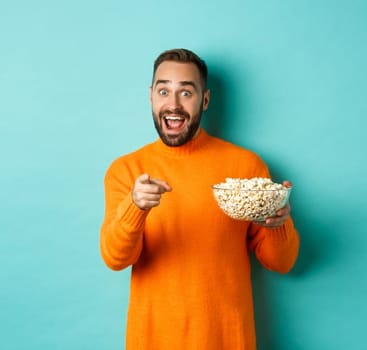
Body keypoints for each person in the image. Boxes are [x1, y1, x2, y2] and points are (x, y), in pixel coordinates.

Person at [99, 48, 300, 350]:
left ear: (204, 100)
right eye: (164, 91)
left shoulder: (245, 166)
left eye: (186, 93)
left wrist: (277, 222)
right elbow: (115, 259)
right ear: (151, 96)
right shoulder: (126, 171)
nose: (173, 105)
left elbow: (281, 263)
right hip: (153, 341)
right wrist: (135, 207)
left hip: (228, 340)